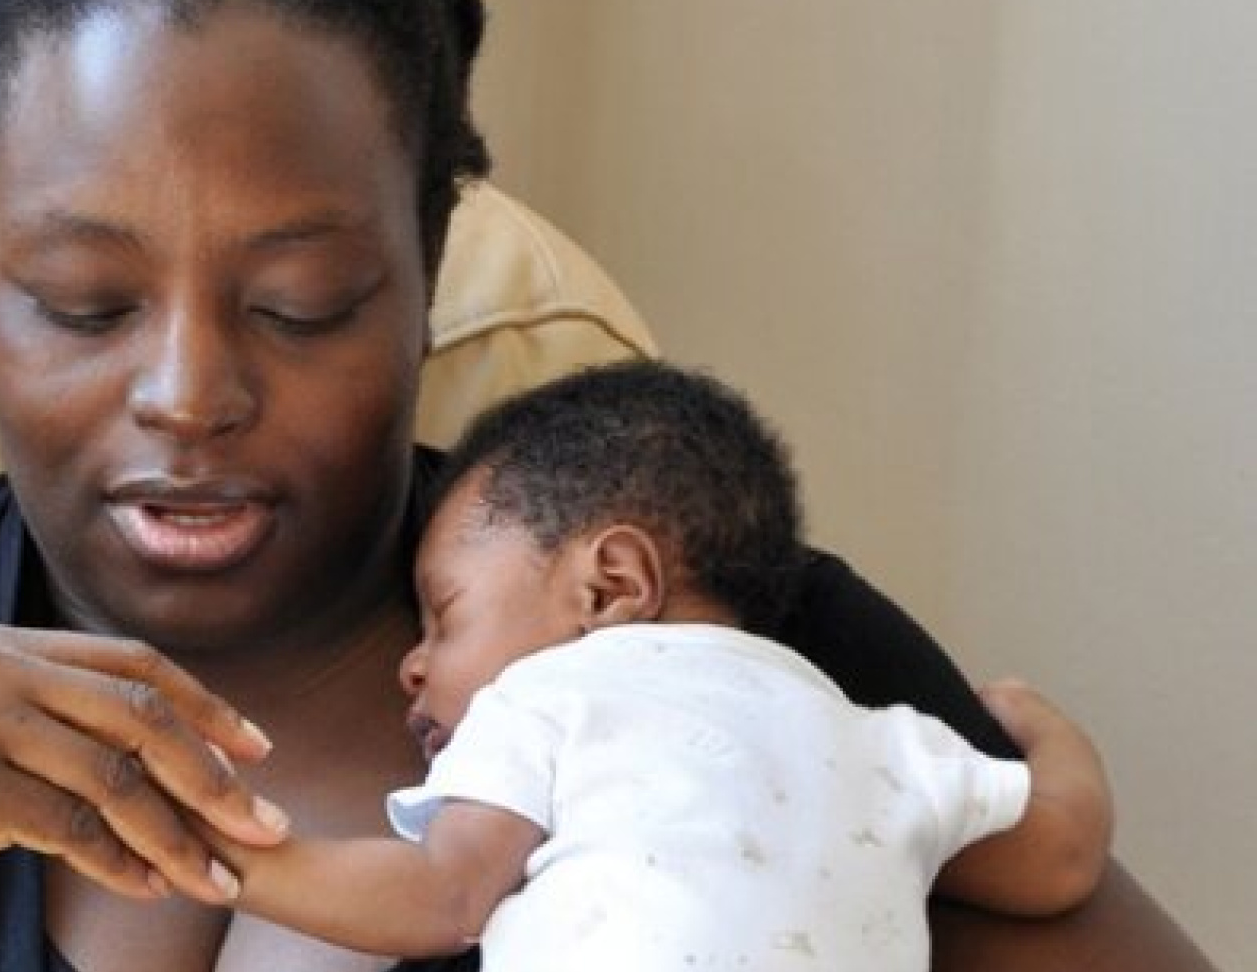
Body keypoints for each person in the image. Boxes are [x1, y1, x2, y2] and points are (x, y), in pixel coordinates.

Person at [0, 0, 1147, 971]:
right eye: (81, 301)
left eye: (299, 301)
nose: (187, 393)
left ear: (429, 266)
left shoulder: (694, 647)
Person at [198, 359, 1111, 970]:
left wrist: (219, 855)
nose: (413, 664)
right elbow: (1063, 853)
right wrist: (1038, 722)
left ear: (611, 585)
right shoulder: (881, 739)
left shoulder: (548, 698)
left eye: (444, 615)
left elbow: (445, 895)